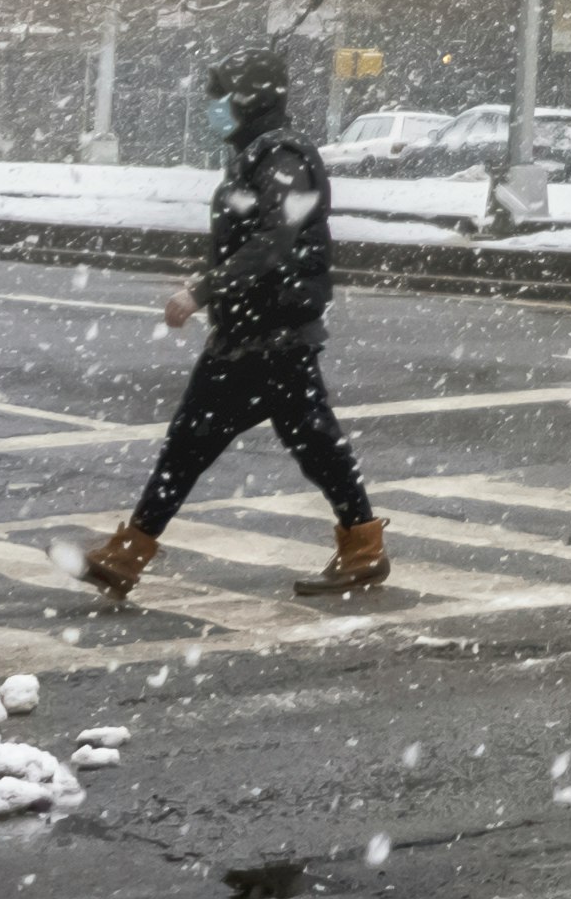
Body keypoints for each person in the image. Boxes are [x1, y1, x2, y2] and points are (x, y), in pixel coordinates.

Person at [77, 49, 390, 602]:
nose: (212, 108)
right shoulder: (259, 155)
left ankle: (129, 555)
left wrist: (202, 290)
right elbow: (257, 242)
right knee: (304, 443)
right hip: (258, 334)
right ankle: (362, 549)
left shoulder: (282, 157)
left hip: (268, 336)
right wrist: (217, 283)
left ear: (247, 99)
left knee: (203, 445)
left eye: (220, 97)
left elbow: (273, 242)